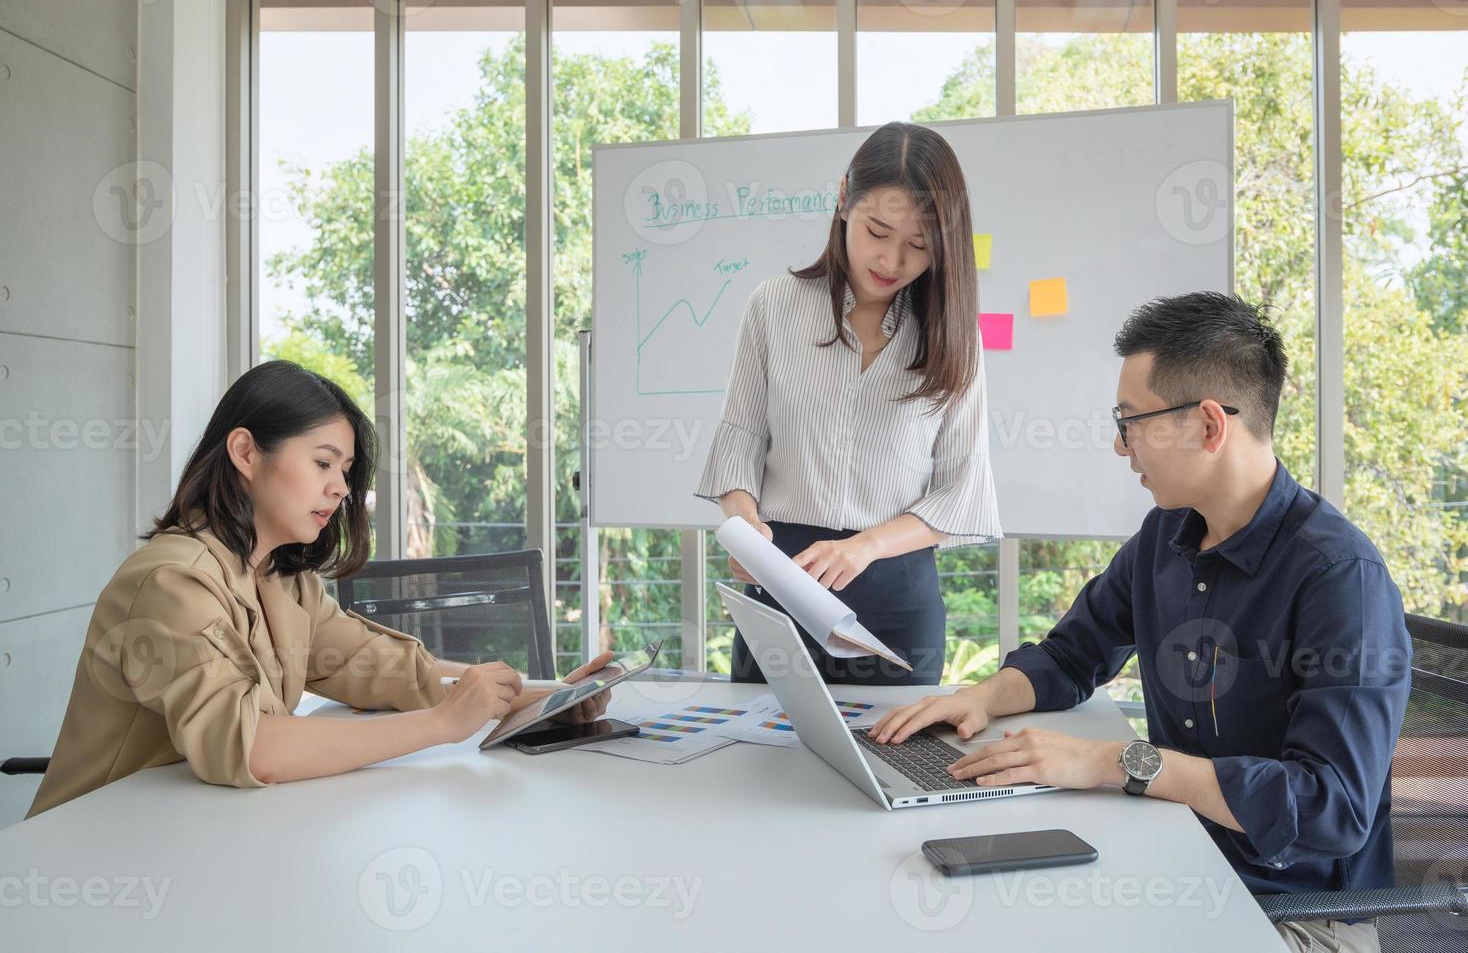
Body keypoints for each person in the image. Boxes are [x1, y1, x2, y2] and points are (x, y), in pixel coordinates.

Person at [870, 291, 1411, 953]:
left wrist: (1118, 762)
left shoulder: (1339, 577)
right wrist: (977, 699)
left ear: (1209, 426)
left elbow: (1332, 809)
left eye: (1131, 421)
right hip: (1178, 860)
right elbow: (1072, 656)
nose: (1120, 444)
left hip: (1292, 915)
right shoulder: (1167, 537)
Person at [28, 360, 612, 818]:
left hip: (196, 835)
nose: (339, 489)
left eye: (345, 473)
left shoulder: (285, 581)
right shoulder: (171, 581)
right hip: (95, 849)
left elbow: (389, 670)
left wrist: (541, 699)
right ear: (246, 452)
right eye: (323, 463)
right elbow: (251, 746)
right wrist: (444, 725)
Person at [696, 121, 1001, 686]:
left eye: (918, 245)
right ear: (843, 201)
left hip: (897, 594)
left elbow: (962, 488)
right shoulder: (774, 305)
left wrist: (865, 547)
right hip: (782, 579)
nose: (892, 260)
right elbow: (739, 438)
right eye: (878, 231)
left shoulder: (955, 336)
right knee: (759, 765)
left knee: (895, 767)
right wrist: (744, 526)